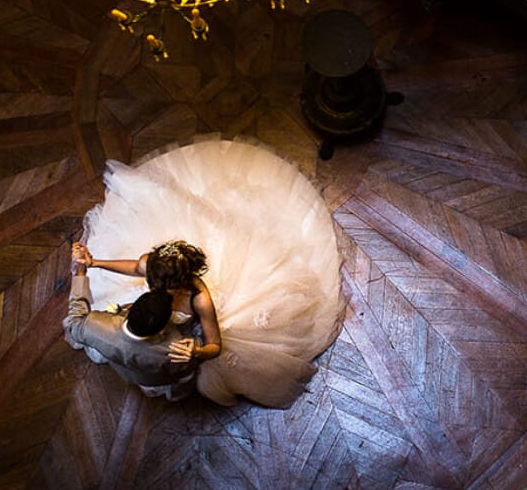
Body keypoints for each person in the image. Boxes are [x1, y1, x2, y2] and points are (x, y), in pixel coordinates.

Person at [79, 137, 346, 408]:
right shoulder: (153, 266)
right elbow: (133, 267)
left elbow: (214, 345)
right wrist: (96, 263)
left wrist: (197, 350)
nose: (153, 283)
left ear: (181, 286)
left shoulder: (200, 298)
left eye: (166, 286)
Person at [62, 246, 200, 401]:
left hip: (128, 372)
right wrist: (197, 350)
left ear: (129, 311)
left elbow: (74, 321)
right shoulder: (175, 351)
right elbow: (187, 371)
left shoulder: (93, 327)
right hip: (154, 378)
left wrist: (82, 272)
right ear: (162, 331)